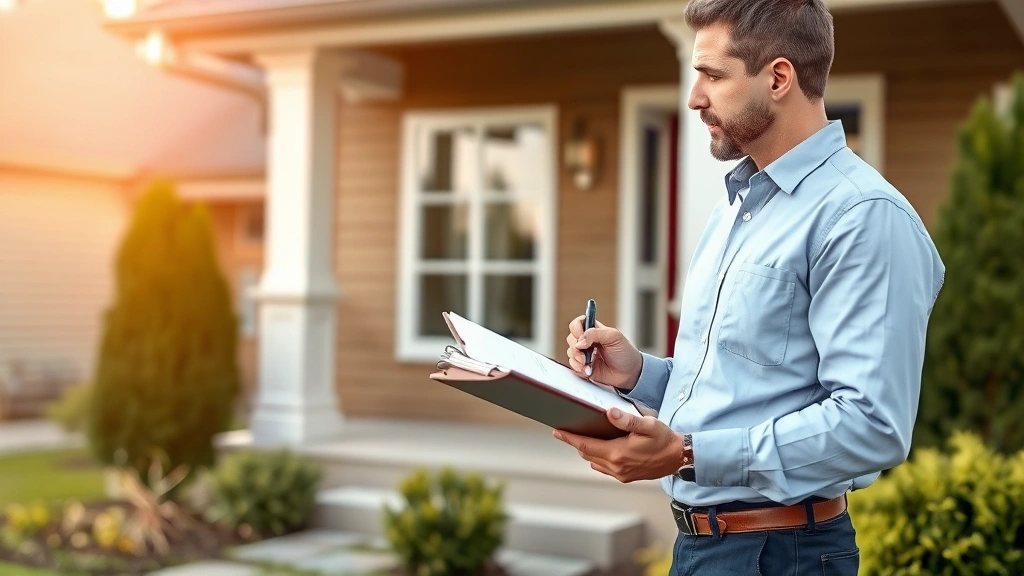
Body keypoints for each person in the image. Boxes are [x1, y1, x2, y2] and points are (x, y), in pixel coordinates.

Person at [554, 0, 946, 574]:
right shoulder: (737, 207)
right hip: (705, 547)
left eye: (713, 76)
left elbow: (872, 427)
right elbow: (738, 385)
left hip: (781, 554)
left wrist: (686, 453)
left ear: (779, 78)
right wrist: (639, 374)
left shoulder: (862, 216)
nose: (694, 98)